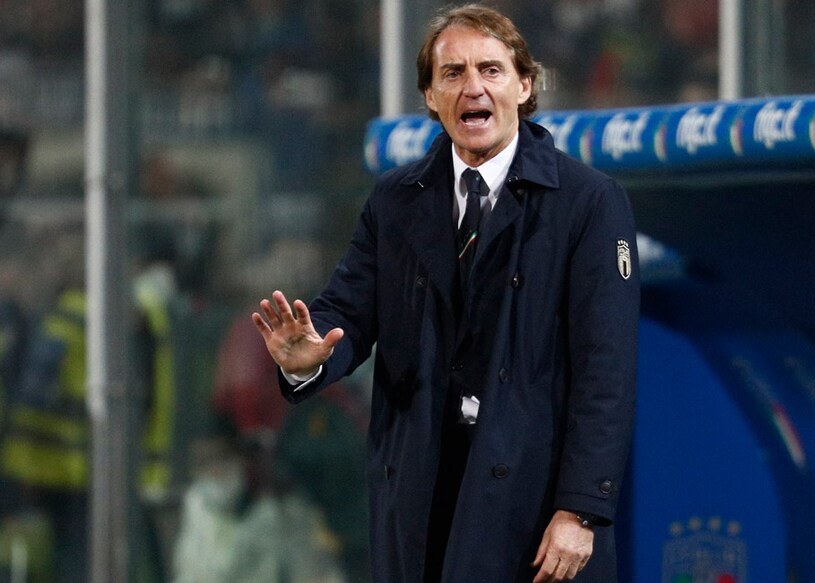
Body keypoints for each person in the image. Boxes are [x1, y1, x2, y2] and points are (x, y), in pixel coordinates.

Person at [251, 4, 639, 582]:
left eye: (491, 70)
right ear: (430, 95)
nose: (472, 88)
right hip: (420, 493)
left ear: (524, 85)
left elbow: (606, 369)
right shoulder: (396, 200)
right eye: (452, 73)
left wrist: (581, 508)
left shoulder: (587, 202)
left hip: (532, 505)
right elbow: (347, 312)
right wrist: (312, 358)